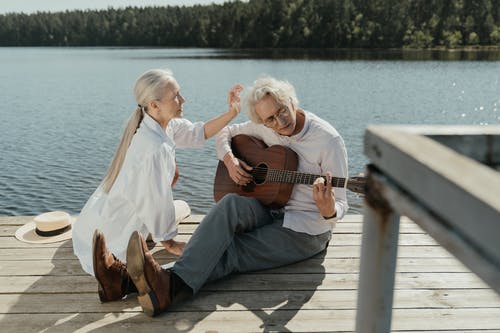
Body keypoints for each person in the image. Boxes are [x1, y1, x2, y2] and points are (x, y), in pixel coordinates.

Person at [107, 75, 348, 316]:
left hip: (304, 229)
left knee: (232, 250)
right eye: (270, 119)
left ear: (292, 102)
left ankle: (145, 285)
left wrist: (327, 209)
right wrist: (230, 160)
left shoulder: (328, 140)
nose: (280, 122)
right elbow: (227, 133)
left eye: (283, 111)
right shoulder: (265, 126)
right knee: (230, 204)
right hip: (271, 206)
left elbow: (341, 205)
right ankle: (144, 283)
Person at [72, 68, 242, 302]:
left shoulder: (157, 123)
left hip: (103, 217)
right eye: (176, 97)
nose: (183, 100)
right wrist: (169, 241)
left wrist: (231, 113)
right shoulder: (153, 147)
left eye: (180, 93)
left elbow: (197, 132)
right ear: (154, 105)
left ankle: (150, 240)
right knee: (181, 240)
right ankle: (118, 279)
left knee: (182, 206)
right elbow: (154, 201)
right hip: (121, 226)